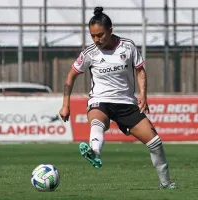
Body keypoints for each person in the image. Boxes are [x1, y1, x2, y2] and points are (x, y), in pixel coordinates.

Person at [59, 6, 177, 189]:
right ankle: (95, 152)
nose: (96, 40)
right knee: (98, 123)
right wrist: (65, 105)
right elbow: (70, 76)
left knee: (155, 142)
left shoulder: (127, 46)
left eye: (100, 35)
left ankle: (166, 183)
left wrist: (143, 96)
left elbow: (140, 71)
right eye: (93, 35)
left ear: (110, 30)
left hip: (125, 103)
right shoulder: (90, 53)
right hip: (100, 100)